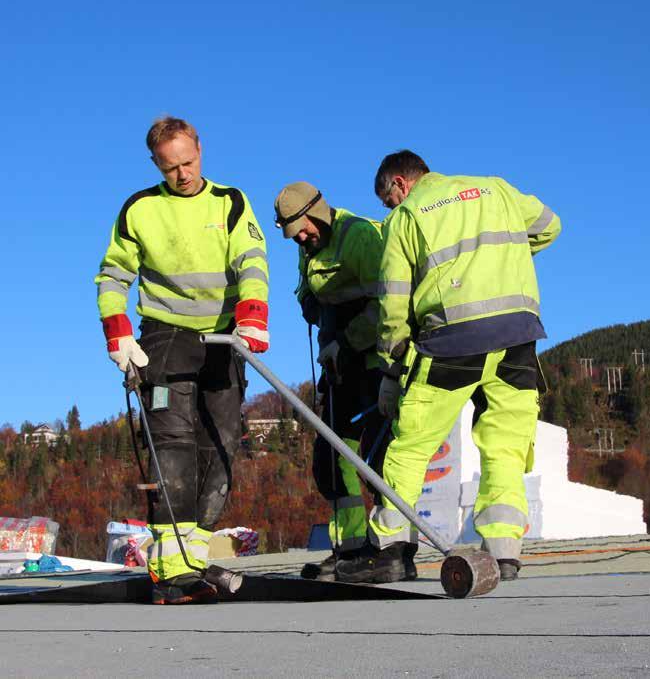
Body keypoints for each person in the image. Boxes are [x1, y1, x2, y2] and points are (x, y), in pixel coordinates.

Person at [337, 150, 561, 583]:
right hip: (517, 333)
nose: (390, 209)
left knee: (410, 445)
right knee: (506, 444)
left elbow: (393, 302)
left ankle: (391, 551)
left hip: (451, 339)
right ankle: (503, 552)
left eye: (388, 201)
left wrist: (390, 367)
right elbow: (550, 226)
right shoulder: (497, 188)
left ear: (399, 185)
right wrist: (500, 261)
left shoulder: (407, 217)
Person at [95, 116, 269, 604]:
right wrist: (118, 334)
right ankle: (171, 568)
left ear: (200, 151)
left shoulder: (230, 202)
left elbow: (251, 260)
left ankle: (195, 554)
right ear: (157, 165)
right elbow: (112, 275)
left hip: (224, 335)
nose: (183, 175)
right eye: (171, 167)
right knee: (172, 440)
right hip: (165, 335)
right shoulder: (140, 208)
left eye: (189, 162)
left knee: (222, 437)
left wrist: (253, 315)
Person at [274, 182, 416, 582]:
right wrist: (311, 306)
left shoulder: (361, 238)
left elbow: (391, 304)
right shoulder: (310, 248)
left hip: (375, 364)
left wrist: (349, 342)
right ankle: (350, 548)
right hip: (340, 369)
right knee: (332, 459)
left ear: (318, 213)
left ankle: (394, 549)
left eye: (303, 229)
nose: (301, 239)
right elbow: (307, 291)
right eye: (293, 235)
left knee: (380, 456)